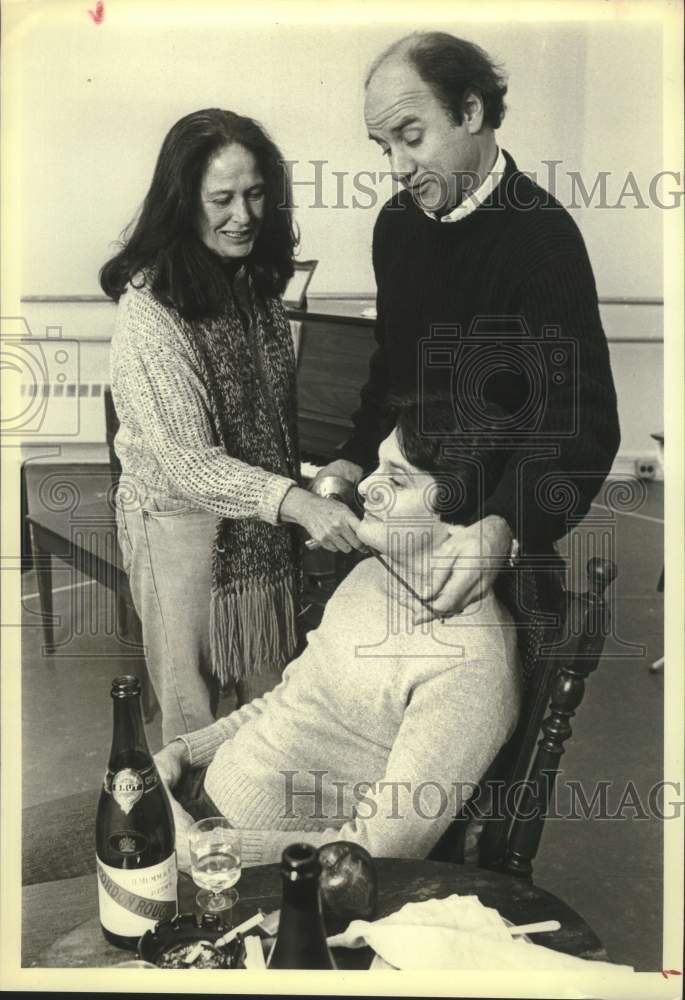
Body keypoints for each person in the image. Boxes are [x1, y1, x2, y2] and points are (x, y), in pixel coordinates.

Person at [313, 32, 621, 622]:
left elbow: (580, 421)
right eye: (385, 148)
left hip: (489, 546)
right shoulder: (397, 225)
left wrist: (503, 525)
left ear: (471, 110)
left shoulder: (543, 238)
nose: (399, 168)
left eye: (411, 137)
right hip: (400, 527)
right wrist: (352, 457)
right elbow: (390, 374)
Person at [154, 396, 521, 867]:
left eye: (396, 479)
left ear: (461, 523)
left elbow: (384, 849)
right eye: (377, 466)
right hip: (195, 801)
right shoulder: (372, 575)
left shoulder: (472, 665)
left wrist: (215, 852)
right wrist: (180, 754)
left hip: (261, 872)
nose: (366, 486)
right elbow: (284, 704)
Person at [102, 109, 363, 743]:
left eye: (254, 194)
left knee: (265, 705)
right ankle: (192, 839)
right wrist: (296, 501)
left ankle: (254, 831)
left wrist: (315, 477)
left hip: (257, 535)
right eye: (221, 199)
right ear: (182, 204)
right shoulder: (150, 309)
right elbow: (188, 464)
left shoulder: (256, 288)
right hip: (177, 530)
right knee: (193, 715)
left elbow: (272, 421)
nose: (242, 215)